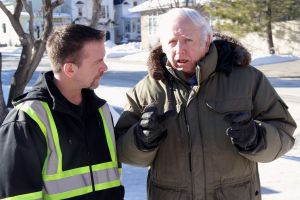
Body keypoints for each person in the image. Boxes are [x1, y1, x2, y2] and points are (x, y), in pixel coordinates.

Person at [115, 8, 297, 200]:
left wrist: (256, 138)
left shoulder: (247, 79)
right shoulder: (147, 90)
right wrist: (141, 140)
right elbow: (122, 149)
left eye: (188, 40)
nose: (179, 50)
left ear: (207, 40)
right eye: (172, 42)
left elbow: (283, 130)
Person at [0, 24, 124, 199]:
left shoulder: (100, 110)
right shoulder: (27, 119)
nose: (105, 67)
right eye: (98, 62)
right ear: (70, 69)